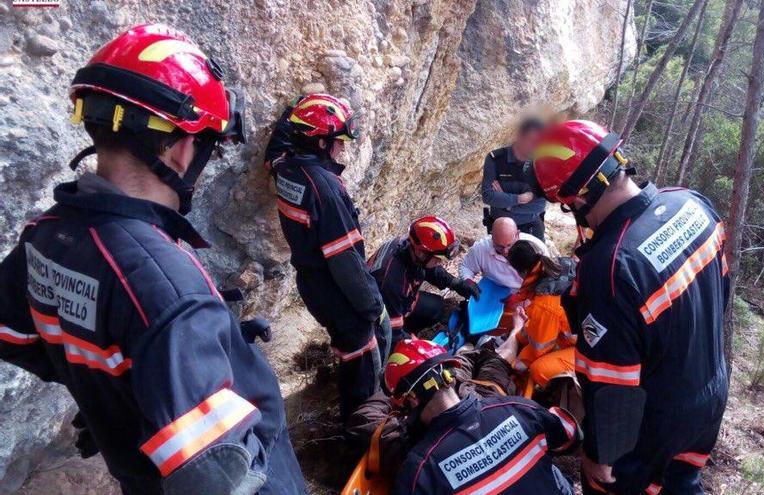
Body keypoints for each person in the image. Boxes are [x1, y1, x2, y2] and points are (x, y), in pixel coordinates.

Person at [0, 24, 306, 494]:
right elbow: (221, 478)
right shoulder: (171, 294)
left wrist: (122, 391)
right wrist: (167, 351)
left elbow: (18, 336)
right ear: (182, 147)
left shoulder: (47, 234)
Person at [532, 120, 730, 495]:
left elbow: (612, 385)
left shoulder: (608, 268)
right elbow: (720, 294)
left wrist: (599, 454)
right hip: (710, 389)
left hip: (655, 418)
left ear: (574, 198)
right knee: (683, 481)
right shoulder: (692, 202)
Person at [265, 93, 385, 420]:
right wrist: (372, 306)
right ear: (320, 143)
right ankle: (360, 420)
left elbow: (274, 150)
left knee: (347, 343)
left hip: (310, 281)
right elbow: (345, 261)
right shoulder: (327, 190)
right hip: (334, 286)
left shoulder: (286, 169)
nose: (342, 148)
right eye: (338, 141)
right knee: (362, 354)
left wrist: (297, 112)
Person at [387, 338, 582, 495]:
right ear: (451, 376)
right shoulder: (518, 407)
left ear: (411, 402)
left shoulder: (420, 470)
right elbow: (571, 436)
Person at [368, 216, 481, 352]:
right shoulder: (392, 281)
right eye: (439, 259)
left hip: (403, 301)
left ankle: (411, 328)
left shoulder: (409, 246)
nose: (441, 263)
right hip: (379, 322)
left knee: (438, 308)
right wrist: (418, 346)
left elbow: (430, 269)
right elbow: (390, 332)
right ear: (421, 253)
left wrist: (456, 283)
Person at [505, 240, 577, 388]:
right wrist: (518, 335)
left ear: (522, 272)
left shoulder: (545, 302)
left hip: (593, 349)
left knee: (538, 370)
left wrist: (514, 364)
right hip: (593, 331)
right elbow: (539, 328)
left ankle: (564, 390)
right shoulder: (562, 265)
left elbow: (539, 348)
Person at [481, 118, 548, 240]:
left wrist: (507, 204)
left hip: (530, 227)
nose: (535, 146)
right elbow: (488, 196)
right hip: (500, 229)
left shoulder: (541, 163)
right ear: (519, 136)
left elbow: (539, 205)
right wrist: (519, 198)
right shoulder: (496, 159)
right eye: (532, 140)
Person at [459, 217, 548, 290]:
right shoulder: (481, 248)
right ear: (492, 237)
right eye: (499, 246)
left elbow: (548, 277)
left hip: (527, 292)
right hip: (494, 292)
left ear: (517, 234)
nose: (505, 251)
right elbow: (466, 267)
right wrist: (468, 281)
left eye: (509, 245)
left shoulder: (536, 247)